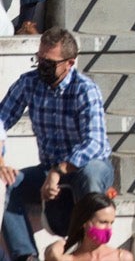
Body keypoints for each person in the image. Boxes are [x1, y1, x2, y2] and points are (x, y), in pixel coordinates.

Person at [0, 28, 112, 261]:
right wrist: (1, 161)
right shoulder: (30, 82)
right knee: (11, 184)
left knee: (91, 174)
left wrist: (59, 170)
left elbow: (95, 143)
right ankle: (26, 256)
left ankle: (88, 250)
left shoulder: (85, 89)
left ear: (69, 63)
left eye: (49, 62)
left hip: (85, 166)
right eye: (39, 59)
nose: (42, 66)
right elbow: (1, 118)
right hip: (49, 168)